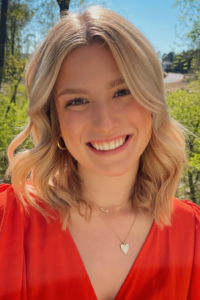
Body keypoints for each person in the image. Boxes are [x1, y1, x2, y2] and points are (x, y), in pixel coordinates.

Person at [0, 5, 199, 300]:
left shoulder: (193, 234)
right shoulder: (7, 222)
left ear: (152, 101)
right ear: (54, 121)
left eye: (122, 92)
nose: (105, 123)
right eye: (77, 101)